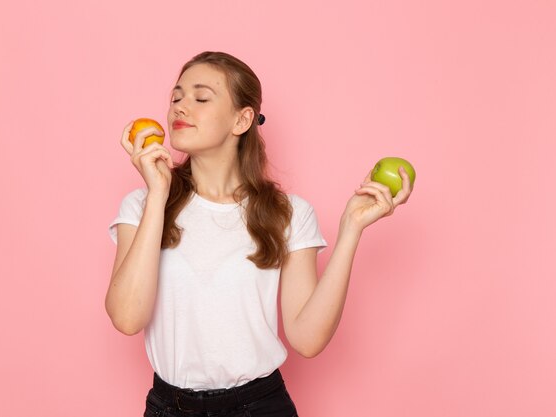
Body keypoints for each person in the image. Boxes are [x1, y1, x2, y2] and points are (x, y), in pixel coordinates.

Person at [106, 51, 413, 417]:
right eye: (176, 97)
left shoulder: (288, 213)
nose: (180, 108)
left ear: (242, 119)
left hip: (259, 407)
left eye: (201, 98)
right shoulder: (141, 204)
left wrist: (351, 229)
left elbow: (307, 339)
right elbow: (126, 318)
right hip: (168, 407)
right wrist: (158, 192)